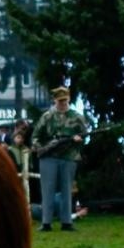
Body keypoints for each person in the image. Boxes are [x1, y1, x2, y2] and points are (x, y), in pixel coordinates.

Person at [31, 85, 88, 231]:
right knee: (47, 189)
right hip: (49, 156)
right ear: (55, 100)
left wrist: (78, 140)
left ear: (69, 99)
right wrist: (42, 148)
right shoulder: (47, 116)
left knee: (66, 190)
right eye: (60, 101)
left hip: (69, 156)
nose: (63, 103)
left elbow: (84, 135)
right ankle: (46, 222)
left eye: (65, 100)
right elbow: (36, 136)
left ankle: (66, 221)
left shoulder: (77, 117)